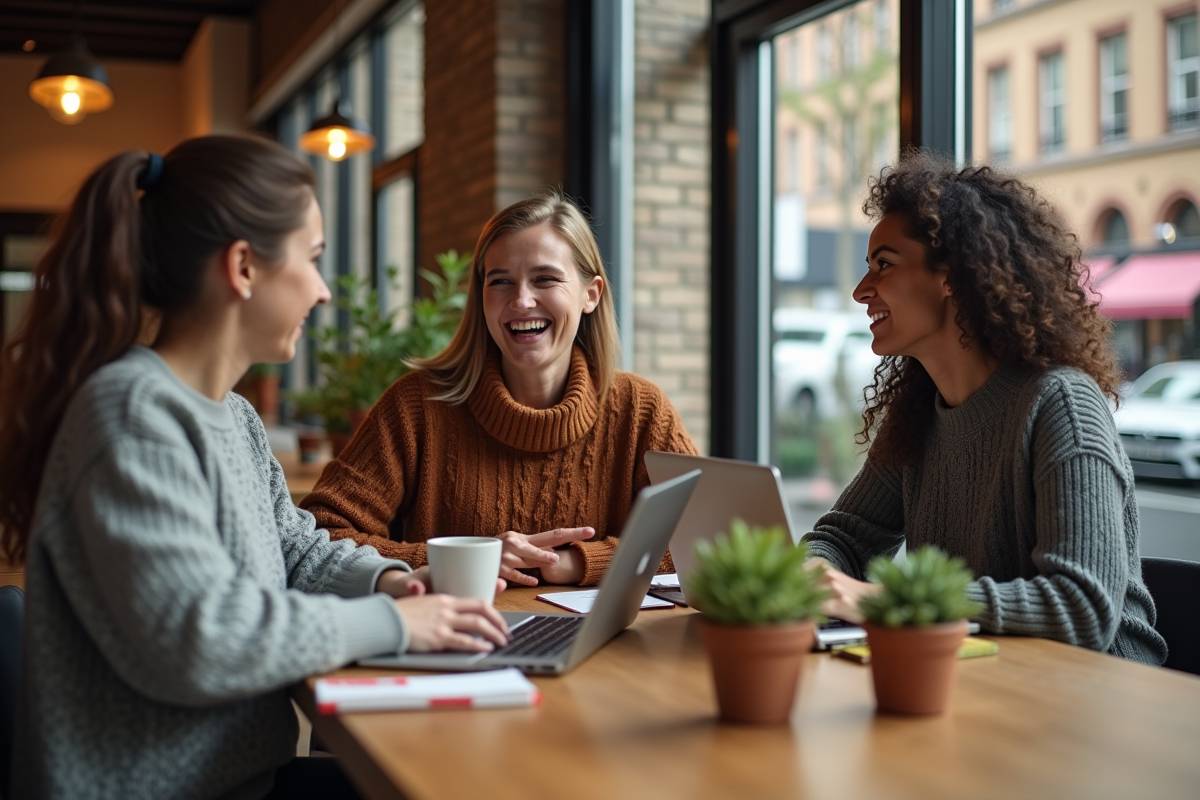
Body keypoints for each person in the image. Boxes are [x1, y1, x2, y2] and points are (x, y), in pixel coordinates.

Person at [0, 136, 509, 800]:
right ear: (243, 266)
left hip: (238, 779)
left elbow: (294, 549)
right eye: (314, 258)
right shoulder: (130, 414)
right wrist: (396, 627)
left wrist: (391, 583)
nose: (324, 292)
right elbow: (204, 637)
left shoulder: (233, 417)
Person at [803, 152, 1167, 666]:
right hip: (987, 678)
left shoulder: (1061, 403)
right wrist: (813, 577)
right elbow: (842, 536)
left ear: (951, 274)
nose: (863, 290)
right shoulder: (919, 414)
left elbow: (1084, 609)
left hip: (1103, 698)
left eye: (883, 265)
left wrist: (892, 600)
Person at [300, 190, 697, 587]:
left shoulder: (641, 410)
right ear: (482, 297)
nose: (521, 301)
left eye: (545, 279)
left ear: (590, 295)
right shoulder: (416, 407)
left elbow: (705, 536)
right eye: (501, 281)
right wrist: (470, 559)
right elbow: (320, 536)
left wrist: (577, 563)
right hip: (453, 638)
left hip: (602, 646)